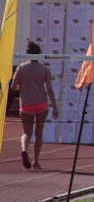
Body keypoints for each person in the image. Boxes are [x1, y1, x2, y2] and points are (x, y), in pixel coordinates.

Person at [11, 40, 59, 170]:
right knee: (39, 133)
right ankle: (36, 161)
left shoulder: (21, 68)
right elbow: (49, 89)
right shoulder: (44, 69)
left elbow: (13, 86)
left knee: (26, 132)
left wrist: (23, 85)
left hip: (26, 103)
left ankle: (24, 149)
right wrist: (55, 106)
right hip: (41, 103)